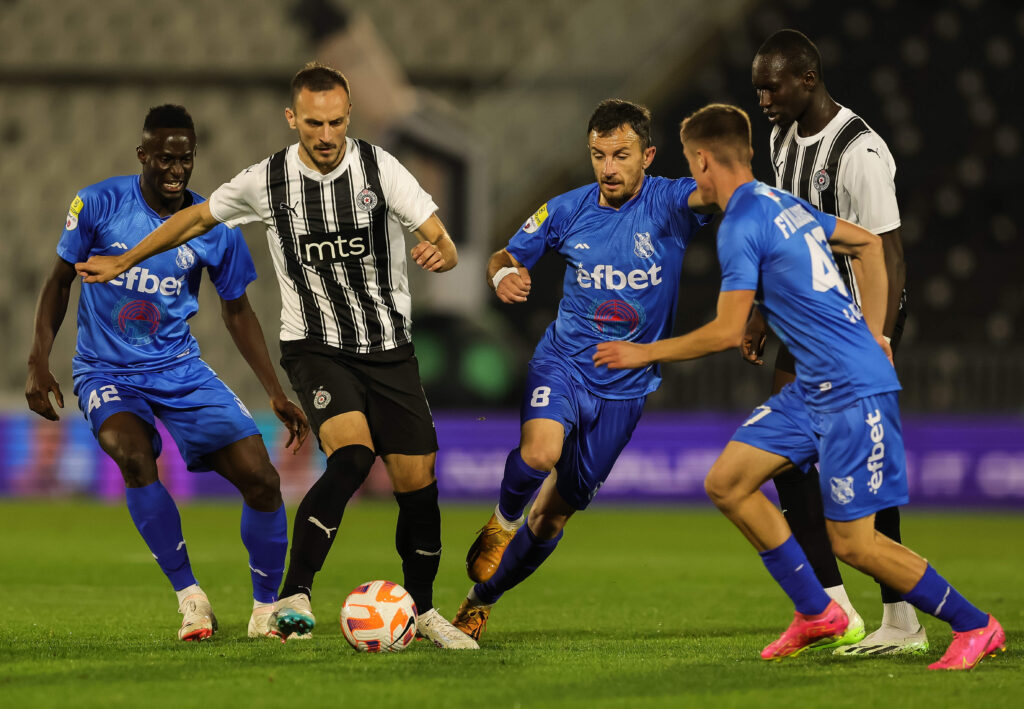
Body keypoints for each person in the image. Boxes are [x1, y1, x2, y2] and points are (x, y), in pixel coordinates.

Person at [74, 63, 477, 649]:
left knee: (419, 486)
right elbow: (194, 218)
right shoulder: (267, 179)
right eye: (313, 122)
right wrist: (125, 260)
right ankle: (295, 594)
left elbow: (442, 237)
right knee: (353, 457)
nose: (325, 134)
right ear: (293, 119)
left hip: (389, 347)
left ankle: (425, 609)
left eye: (336, 122)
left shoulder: (379, 168)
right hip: (314, 346)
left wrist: (442, 252)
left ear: (348, 119)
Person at [594, 103, 1005, 671]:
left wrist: (644, 351)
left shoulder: (739, 224)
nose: (693, 178)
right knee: (729, 482)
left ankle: (976, 624)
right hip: (814, 385)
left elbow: (725, 331)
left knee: (854, 544)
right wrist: (877, 331)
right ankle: (819, 612)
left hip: (850, 390)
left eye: (692, 164)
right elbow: (865, 243)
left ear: (705, 161)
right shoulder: (775, 201)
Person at [26, 104, 310, 641]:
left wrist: (274, 390)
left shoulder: (214, 227)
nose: (176, 170)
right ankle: (191, 599)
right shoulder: (97, 203)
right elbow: (59, 281)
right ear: (143, 156)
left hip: (180, 369)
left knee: (262, 479)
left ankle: (264, 610)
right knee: (134, 456)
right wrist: (39, 361)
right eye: (164, 159)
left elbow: (237, 310)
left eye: (184, 159)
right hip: (105, 369)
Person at [450, 99, 709, 641]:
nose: (608, 167)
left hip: (625, 391)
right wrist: (502, 277)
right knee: (540, 452)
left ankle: (480, 601)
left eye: (621, 155)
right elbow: (502, 256)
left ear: (648, 156)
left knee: (551, 518)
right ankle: (499, 524)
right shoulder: (566, 210)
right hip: (564, 362)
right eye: (598, 155)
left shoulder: (672, 202)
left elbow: (721, 194)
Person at [744, 29, 918, 654]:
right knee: (787, 453)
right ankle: (832, 605)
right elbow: (790, 233)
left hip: (854, 328)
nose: (763, 98)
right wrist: (764, 307)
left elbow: (889, 253)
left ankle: (902, 619)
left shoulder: (859, 152)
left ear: (807, 79)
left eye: (773, 86)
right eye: (759, 87)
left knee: (863, 464)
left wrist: (881, 337)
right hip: (806, 316)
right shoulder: (782, 135)